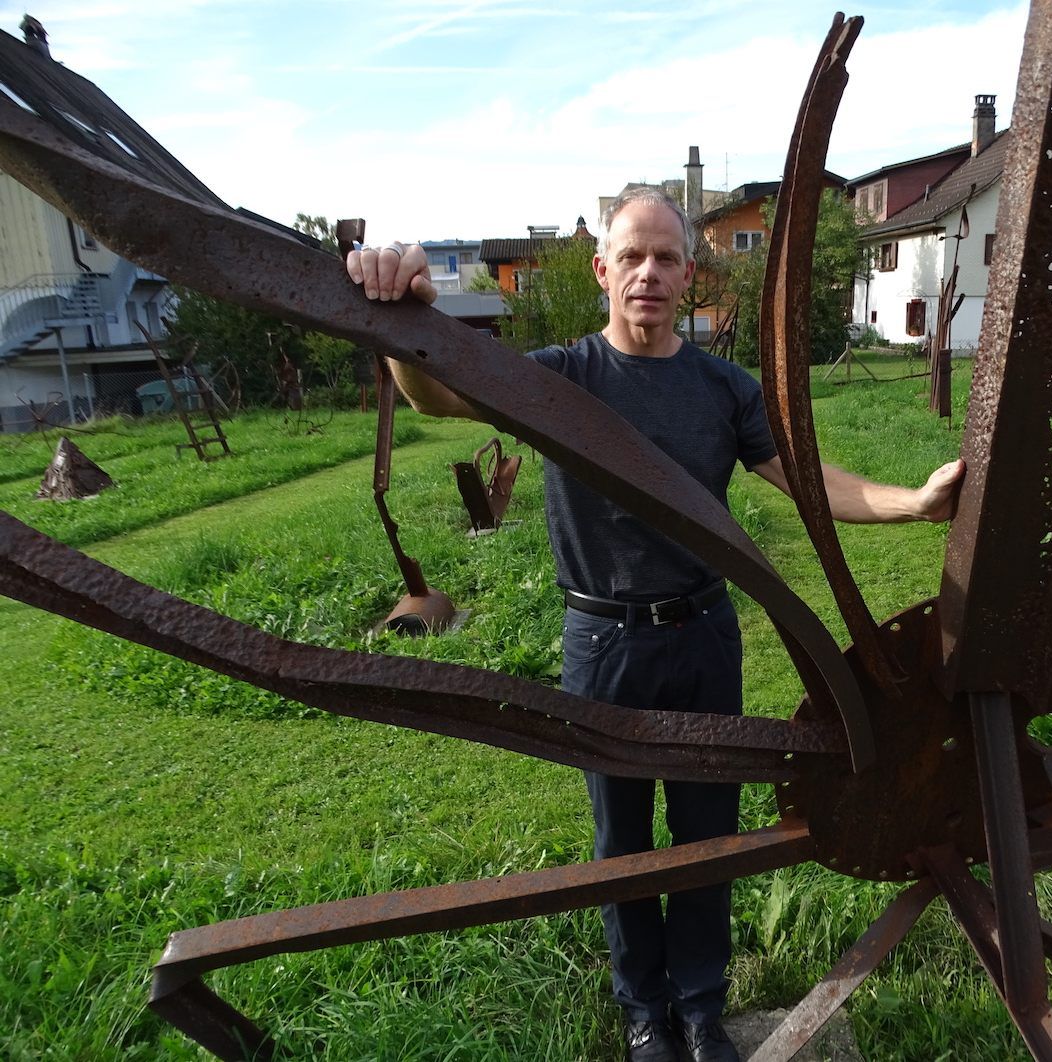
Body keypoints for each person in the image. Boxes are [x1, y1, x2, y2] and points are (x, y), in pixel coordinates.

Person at [347, 187, 963, 1062]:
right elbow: (438, 398)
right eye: (630, 256)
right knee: (622, 840)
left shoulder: (723, 388)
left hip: (704, 636)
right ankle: (645, 1013)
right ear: (602, 271)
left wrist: (913, 502)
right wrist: (407, 318)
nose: (647, 274)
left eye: (665, 258)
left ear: (688, 275)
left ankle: (703, 1010)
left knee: (707, 834)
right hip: (603, 645)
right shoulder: (560, 378)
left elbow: (806, 479)